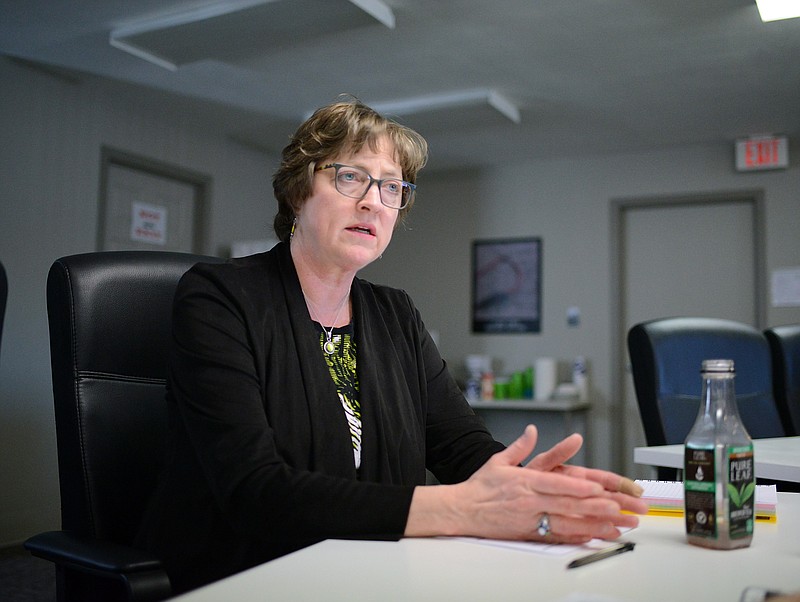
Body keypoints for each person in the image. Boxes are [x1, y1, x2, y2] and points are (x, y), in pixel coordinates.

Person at [136, 97, 647, 594]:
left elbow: (459, 445)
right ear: (297, 192)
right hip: (249, 577)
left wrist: (539, 485)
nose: (372, 202)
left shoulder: (394, 313)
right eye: (351, 176)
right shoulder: (221, 297)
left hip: (377, 570)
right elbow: (255, 491)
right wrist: (463, 508)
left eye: (392, 186)